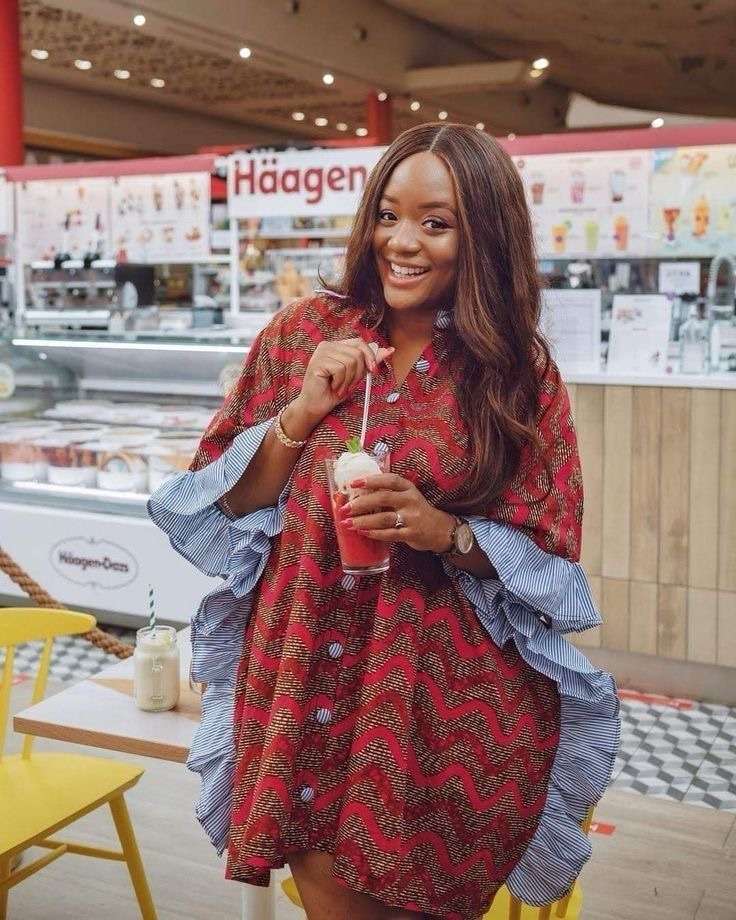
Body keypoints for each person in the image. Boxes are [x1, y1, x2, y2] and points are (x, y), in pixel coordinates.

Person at [149, 123, 619, 920]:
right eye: (388, 216)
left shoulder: (515, 372)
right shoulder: (303, 332)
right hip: (304, 670)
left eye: (436, 223)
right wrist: (302, 410)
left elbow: (548, 548)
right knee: (329, 888)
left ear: (485, 237)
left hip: (436, 702)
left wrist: (446, 532)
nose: (403, 243)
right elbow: (227, 499)